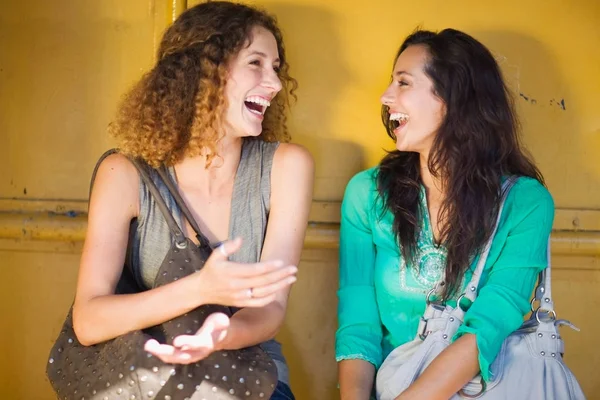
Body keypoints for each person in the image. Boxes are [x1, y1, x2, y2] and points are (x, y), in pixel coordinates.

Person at [72, 2, 314, 399]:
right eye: (256, 63)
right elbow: (89, 319)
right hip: (143, 374)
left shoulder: (288, 166)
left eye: (276, 67)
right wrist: (200, 290)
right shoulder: (124, 173)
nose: (275, 84)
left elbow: (271, 309)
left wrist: (221, 337)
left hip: (247, 371)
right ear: (203, 72)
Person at [335, 28, 554, 400]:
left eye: (404, 83)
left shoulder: (526, 203)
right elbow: (359, 324)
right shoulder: (368, 194)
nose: (386, 97)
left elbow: (488, 325)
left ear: (454, 98)